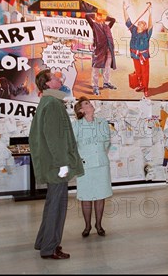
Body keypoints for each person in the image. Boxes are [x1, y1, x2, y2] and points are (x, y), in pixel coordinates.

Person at [29, 69, 84, 259]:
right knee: (57, 206)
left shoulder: (48, 101)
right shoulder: (52, 103)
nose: (59, 79)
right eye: (55, 77)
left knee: (52, 203)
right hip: (56, 165)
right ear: (47, 84)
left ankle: (43, 241)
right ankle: (50, 248)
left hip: (52, 163)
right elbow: (55, 137)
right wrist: (62, 164)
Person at [72, 96, 113, 237]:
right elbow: (73, 144)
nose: (90, 104)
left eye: (89, 102)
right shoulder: (76, 125)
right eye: (87, 103)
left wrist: (99, 152)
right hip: (85, 165)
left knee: (101, 196)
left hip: (101, 163)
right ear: (81, 110)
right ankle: (87, 225)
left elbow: (107, 141)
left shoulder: (102, 123)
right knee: (86, 196)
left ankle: (99, 225)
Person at [123, 1, 153, 97]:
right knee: (138, 72)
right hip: (135, 55)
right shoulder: (134, 30)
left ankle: (146, 89)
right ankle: (141, 85)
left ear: (145, 27)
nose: (140, 23)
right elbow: (128, 21)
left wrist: (150, 12)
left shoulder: (147, 33)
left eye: (142, 23)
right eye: (139, 23)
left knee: (145, 73)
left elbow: (151, 25)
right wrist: (124, 9)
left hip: (143, 56)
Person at [85, 9, 117, 96]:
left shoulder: (107, 26)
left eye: (101, 16)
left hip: (108, 49)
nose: (100, 17)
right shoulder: (94, 25)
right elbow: (87, 16)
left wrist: (104, 16)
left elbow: (113, 20)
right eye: (98, 16)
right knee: (96, 68)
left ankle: (106, 83)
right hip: (99, 50)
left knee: (107, 68)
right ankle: (95, 86)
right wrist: (95, 14)